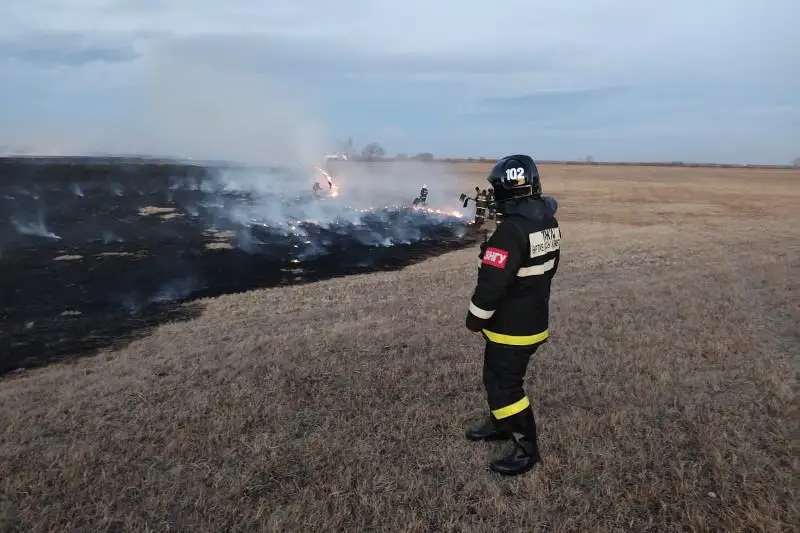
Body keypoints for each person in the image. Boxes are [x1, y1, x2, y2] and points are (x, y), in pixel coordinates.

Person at [464, 154, 561, 476]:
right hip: (534, 315)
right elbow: (547, 268)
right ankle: (500, 423)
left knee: (504, 385)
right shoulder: (547, 221)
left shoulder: (509, 231)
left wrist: (475, 318)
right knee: (499, 379)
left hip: (511, 326)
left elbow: (491, 284)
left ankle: (525, 447)